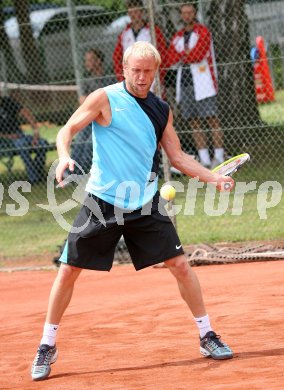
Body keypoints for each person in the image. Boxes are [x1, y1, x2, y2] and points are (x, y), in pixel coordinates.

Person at [31, 41, 234, 381]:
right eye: (135, 71)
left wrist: (213, 178)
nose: (141, 78)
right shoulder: (104, 98)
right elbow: (66, 130)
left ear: (156, 73)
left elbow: (178, 157)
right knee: (67, 270)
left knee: (181, 265)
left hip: (145, 202)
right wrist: (64, 155)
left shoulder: (160, 109)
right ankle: (46, 345)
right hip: (102, 200)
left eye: (148, 72)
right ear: (124, 69)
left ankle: (207, 334)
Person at [167, 3, 225, 169]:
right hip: (185, 83)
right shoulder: (177, 36)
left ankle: (219, 157)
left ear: (195, 13)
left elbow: (199, 54)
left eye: (190, 12)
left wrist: (183, 55)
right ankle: (205, 159)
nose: (187, 16)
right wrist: (186, 55)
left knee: (212, 118)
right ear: (180, 15)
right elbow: (171, 58)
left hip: (203, 82)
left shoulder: (203, 32)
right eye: (184, 13)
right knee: (194, 122)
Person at [70, 48, 116, 174]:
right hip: (91, 118)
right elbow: (83, 101)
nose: (87, 63)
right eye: (87, 60)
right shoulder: (87, 81)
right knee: (80, 139)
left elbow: (111, 101)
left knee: (91, 142)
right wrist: (97, 105)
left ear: (99, 61)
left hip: (106, 119)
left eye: (90, 60)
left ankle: (84, 172)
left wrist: (95, 104)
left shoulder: (110, 78)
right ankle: (72, 170)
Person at [112, 0, 167, 89]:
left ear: (142, 12)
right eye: (130, 12)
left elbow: (163, 54)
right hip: (131, 78)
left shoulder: (153, 31)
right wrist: (122, 78)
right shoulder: (124, 34)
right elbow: (117, 58)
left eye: (136, 11)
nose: (133, 15)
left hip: (150, 76)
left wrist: (159, 77)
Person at [0, 93, 47, 184]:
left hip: (19, 135)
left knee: (43, 143)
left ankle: (37, 170)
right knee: (21, 145)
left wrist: (36, 134)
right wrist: (7, 137)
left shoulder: (8, 101)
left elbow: (26, 113)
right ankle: (34, 178)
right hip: (3, 140)